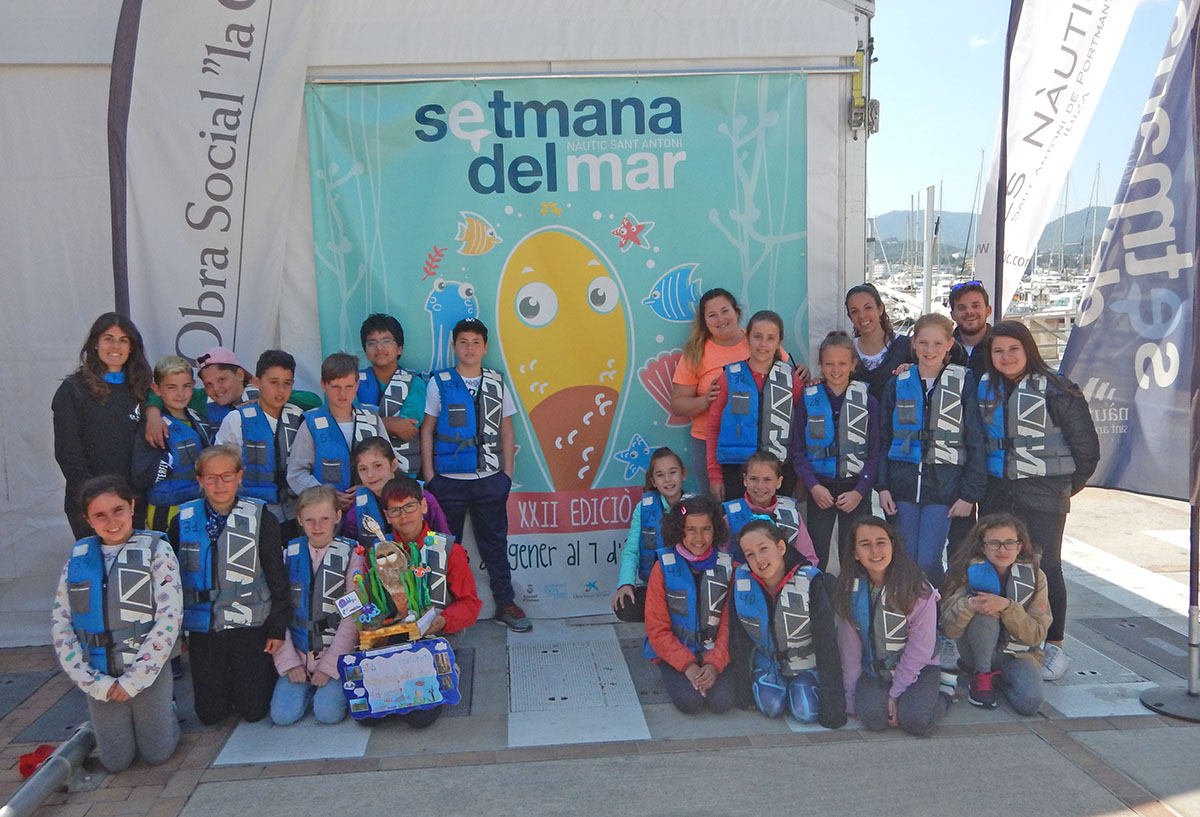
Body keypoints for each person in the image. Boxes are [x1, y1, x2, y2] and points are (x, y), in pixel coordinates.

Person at [977, 320, 1099, 681]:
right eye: (998, 351)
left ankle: (1054, 646)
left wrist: (1062, 489)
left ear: (1028, 349)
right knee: (999, 566)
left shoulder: (1059, 390)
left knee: (1046, 569)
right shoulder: (983, 389)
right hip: (998, 495)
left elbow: (1087, 451)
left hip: (1045, 496)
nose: (1006, 357)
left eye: (1013, 349)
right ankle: (1005, 639)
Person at [51, 475, 182, 772]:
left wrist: (134, 679)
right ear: (88, 520)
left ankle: (167, 710)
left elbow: (169, 619)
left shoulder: (157, 551)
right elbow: (61, 625)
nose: (111, 521)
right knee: (116, 762)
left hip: (146, 670)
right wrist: (93, 683)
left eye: (118, 510)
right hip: (100, 674)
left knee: (157, 754)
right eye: (100, 515)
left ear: (132, 507)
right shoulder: (77, 561)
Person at [421, 318, 530, 633]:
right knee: (445, 549)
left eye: (476, 342)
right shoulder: (439, 382)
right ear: (454, 346)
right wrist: (430, 477)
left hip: (490, 480)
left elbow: (507, 430)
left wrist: (506, 475)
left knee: (494, 545)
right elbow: (427, 430)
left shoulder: (496, 382)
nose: (469, 348)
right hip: (447, 483)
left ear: (485, 347)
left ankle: (505, 604)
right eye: (463, 342)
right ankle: (444, 611)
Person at [169, 445, 290, 725]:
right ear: (200, 480)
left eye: (227, 476)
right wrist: (179, 634)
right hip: (204, 627)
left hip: (250, 624)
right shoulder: (181, 522)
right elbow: (172, 583)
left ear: (239, 476)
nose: (219, 484)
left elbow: (277, 578)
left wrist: (277, 628)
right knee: (211, 715)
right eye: (211, 478)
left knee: (253, 711)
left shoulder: (262, 519)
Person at [877, 313, 986, 588]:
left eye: (937, 343)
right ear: (913, 343)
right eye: (923, 343)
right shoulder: (897, 383)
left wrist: (969, 494)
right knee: (905, 559)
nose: (930, 350)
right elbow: (884, 439)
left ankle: (934, 609)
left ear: (949, 344)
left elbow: (975, 439)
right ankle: (907, 609)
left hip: (944, 487)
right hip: (902, 485)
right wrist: (882, 487)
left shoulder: (963, 382)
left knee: (928, 559)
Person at [377, 476, 483, 728]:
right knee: (373, 714)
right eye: (395, 510)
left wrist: (443, 621)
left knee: (420, 718)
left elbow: (470, 604)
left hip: (440, 633)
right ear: (387, 516)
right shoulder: (380, 553)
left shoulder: (449, 549)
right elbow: (374, 603)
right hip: (397, 635)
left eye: (410, 506)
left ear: (424, 506)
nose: (404, 516)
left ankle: (449, 666)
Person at [834, 517, 951, 736]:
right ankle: (893, 697)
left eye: (881, 542)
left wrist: (895, 693)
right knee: (873, 719)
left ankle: (945, 692)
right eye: (865, 544)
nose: (874, 551)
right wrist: (850, 697)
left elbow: (921, 649)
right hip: (875, 668)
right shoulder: (850, 589)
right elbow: (849, 649)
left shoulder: (918, 589)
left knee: (915, 721)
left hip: (919, 667)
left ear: (893, 546)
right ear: (855, 553)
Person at [727, 520, 846, 726]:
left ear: (781, 547)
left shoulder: (810, 582)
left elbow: (827, 644)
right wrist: (742, 693)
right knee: (771, 707)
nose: (758, 559)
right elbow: (738, 640)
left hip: (805, 662)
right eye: (750, 554)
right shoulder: (742, 582)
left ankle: (799, 688)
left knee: (805, 712)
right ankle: (779, 689)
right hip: (767, 662)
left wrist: (833, 709)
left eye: (763, 549)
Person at [52, 313, 153, 538]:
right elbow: (68, 453)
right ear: (95, 343)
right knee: (97, 562)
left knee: (133, 561)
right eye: (108, 338)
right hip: (91, 504)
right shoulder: (73, 390)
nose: (115, 346)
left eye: (123, 340)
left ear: (131, 348)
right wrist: (96, 499)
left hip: (133, 503)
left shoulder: (143, 389)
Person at [270, 485, 364, 726]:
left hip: (335, 653)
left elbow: (352, 616)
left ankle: (329, 688)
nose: (317, 526)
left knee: (327, 714)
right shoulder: (287, 555)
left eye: (324, 519)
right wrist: (290, 663)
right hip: (298, 652)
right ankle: (305, 685)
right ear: (299, 519)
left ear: (338, 516)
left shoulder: (353, 555)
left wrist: (329, 666)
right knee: (282, 716)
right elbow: (278, 611)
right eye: (310, 520)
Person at [941, 513, 1049, 713]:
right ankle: (982, 675)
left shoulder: (1036, 576)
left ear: (1019, 546)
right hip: (976, 649)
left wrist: (1007, 607)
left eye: (1009, 543)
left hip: (1018, 655)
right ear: (983, 547)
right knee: (985, 607)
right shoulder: (965, 571)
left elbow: (1036, 635)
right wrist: (970, 605)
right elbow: (949, 629)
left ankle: (996, 679)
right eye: (994, 543)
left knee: (1030, 703)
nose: (1002, 550)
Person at [792, 330, 882, 571]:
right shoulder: (808, 399)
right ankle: (819, 593)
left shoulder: (868, 402)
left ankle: (852, 594)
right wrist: (813, 486)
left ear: (853, 364)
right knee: (817, 553)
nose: (835, 370)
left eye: (842, 363)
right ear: (820, 364)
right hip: (820, 488)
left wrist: (860, 491)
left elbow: (875, 453)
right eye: (829, 364)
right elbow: (798, 451)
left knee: (853, 554)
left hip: (855, 489)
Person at [643, 496, 738, 714]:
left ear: (716, 530)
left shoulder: (729, 567)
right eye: (691, 530)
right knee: (690, 703)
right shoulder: (663, 567)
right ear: (679, 530)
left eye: (706, 529)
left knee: (722, 702)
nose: (699, 538)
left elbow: (730, 625)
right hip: (675, 651)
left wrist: (714, 665)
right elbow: (656, 627)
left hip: (715, 650)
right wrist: (687, 665)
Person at [706, 310, 803, 502]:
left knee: (777, 522)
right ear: (747, 339)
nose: (763, 344)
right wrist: (714, 475)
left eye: (770, 338)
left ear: (779, 342)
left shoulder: (792, 379)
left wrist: (802, 477)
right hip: (735, 470)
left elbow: (802, 431)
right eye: (757, 336)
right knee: (738, 521)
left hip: (779, 471)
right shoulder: (729, 377)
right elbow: (714, 426)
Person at [142, 347, 321, 450]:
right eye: (208, 384)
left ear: (240, 374)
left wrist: (264, 398)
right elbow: (158, 391)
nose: (216, 389)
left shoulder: (262, 391)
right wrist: (153, 414)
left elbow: (313, 400)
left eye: (222, 380)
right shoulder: (203, 399)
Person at [215, 350, 307, 542]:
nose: (280, 390)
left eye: (287, 383)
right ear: (257, 382)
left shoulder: (299, 418)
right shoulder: (236, 420)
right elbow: (221, 472)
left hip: (295, 516)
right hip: (250, 516)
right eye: (273, 382)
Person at [288, 352, 390, 512]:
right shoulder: (311, 423)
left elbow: (390, 465)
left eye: (349, 386)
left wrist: (368, 487)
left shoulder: (372, 419)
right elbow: (296, 474)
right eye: (335, 387)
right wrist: (325, 494)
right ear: (323, 385)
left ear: (357, 384)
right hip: (326, 512)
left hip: (370, 508)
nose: (342, 394)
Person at [132, 356, 212, 533]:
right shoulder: (152, 426)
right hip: (165, 510)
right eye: (171, 387)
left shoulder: (198, 415)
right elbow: (141, 475)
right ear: (157, 389)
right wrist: (167, 462)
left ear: (193, 385)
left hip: (198, 505)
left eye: (186, 386)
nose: (180, 393)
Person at [611, 447, 692, 623]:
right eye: (660, 475)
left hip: (688, 586)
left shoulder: (696, 506)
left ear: (683, 474)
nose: (668, 479)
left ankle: (675, 616)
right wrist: (626, 583)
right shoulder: (643, 508)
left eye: (673, 472)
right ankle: (665, 616)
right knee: (625, 606)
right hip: (655, 587)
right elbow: (631, 551)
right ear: (653, 481)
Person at [342, 437, 450, 547]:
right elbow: (351, 549)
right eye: (363, 469)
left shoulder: (422, 498)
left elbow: (445, 540)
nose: (370, 475)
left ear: (393, 465)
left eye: (377, 465)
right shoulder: (357, 510)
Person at [357, 314, 428, 478]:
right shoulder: (353, 382)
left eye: (386, 341)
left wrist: (369, 423)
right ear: (365, 351)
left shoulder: (415, 382)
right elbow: (350, 423)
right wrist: (390, 424)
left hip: (405, 475)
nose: (379, 348)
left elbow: (408, 427)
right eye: (372, 343)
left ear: (399, 348)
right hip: (365, 477)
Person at [722, 451, 817, 567]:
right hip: (743, 577)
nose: (760, 486)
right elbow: (722, 560)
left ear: (779, 482)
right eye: (753, 479)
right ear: (745, 479)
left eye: (767, 479)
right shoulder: (731, 517)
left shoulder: (792, 516)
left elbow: (809, 559)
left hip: (786, 577)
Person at [845, 283, 911, 401]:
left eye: (868, 308)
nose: (862, 315)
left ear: (880, 309)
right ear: (850, 316)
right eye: (855, 311)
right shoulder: (846, 351)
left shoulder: (906, 346)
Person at [948, 281, 993, 381]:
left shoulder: (1000, 348)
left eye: (975, 306)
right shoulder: (942, 350)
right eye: (962, 308)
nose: (969, 312)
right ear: (953, 315)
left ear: (988, 310)